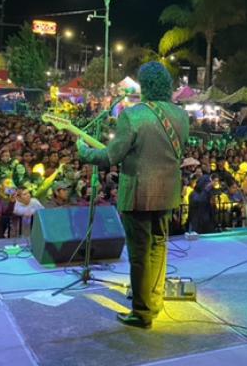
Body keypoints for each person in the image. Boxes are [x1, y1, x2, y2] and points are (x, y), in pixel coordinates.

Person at [77, 62, 189, 329]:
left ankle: (141, 312)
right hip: (167, 192)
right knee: (159, 245)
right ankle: (155, 299)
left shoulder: (134, 115)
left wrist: (84, 152)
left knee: (139, 251)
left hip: (139, 192)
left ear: (145, 85)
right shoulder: (181, 116)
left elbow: (110, 156)